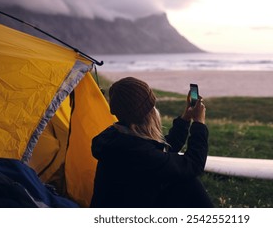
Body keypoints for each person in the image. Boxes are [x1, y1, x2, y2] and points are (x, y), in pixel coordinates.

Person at [90, 77, 213, 208]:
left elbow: (164, 149)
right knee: (189, 183)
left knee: (182, 182)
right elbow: (193, 165)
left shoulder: (117, 136)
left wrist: (186, 118)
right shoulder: (140, 154)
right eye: (151, 105)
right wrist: (199, 124)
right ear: (146, 113)